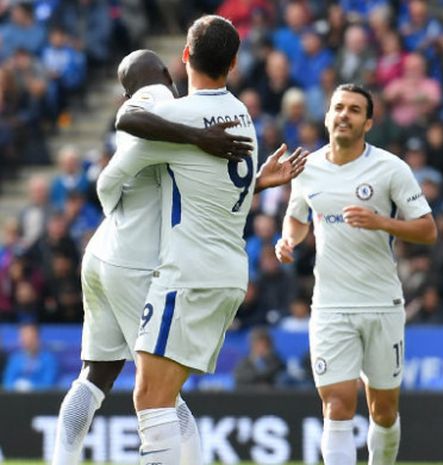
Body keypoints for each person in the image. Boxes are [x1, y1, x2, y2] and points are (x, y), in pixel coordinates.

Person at [52, 45, 305, 465]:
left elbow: (173, 181)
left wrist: (254, 182)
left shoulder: (157, 113)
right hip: (133, 259)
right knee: (160, 393)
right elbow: (110, 178)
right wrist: (198, 137)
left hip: (103, 251)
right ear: (161, 77)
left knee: (96, 377)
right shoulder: (166, 105)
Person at [276, 83, 437, 465]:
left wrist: (381, 221)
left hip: (382, 302)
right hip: (331, 304)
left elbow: (428, 230)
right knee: (336, 403)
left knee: (383, 410)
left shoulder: (390, 168)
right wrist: (288, 240)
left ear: (368, 123)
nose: (344, 115)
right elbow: (297, 217)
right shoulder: (307, 169)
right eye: (338, 108)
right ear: (328, 116)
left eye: (354, 110)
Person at [2, 321, 59, 391]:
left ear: (36, 337)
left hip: (40, 398)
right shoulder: (15, 358)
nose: (24, 339)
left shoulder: (49, 359)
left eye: (28, 335)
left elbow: (49, 384)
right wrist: (17, 386)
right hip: (16, 398)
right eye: (22, 336)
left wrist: (31, 386)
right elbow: (7, 382)